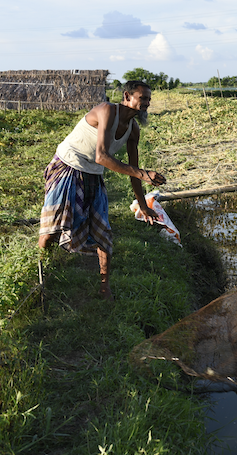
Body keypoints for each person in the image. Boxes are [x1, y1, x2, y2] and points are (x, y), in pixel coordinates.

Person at [38, 80, 166, 301]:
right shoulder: (107, 111)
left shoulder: (133, 129)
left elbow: (133, 170)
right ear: (127, 96)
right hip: (68, 165)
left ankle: (105, 286)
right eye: (142, 98)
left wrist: (143, 206)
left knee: (102, 232)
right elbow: (102, 156)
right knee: (52, 229)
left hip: (93, 174)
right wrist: (144, 174)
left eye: (148, 99)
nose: (146, 103)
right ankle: (42, 265)